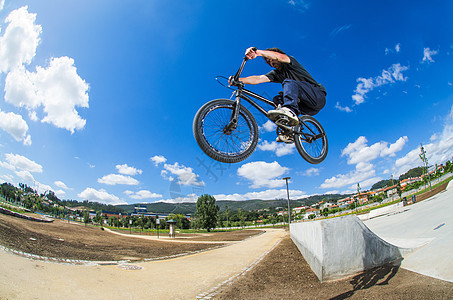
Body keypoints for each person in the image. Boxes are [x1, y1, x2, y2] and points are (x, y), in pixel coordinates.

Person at [230, 47, 326, 143]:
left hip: (317, 96)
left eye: (271, 59)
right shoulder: (276, 74)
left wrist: (257, 53)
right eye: (269, 62)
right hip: (306, 107)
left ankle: (290, 110)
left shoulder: (289, 61)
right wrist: (239, 80)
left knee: (289, 82)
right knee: (278, 99)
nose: (271, 63)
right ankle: (290, 131)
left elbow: (277, 56)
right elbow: (258, 78)